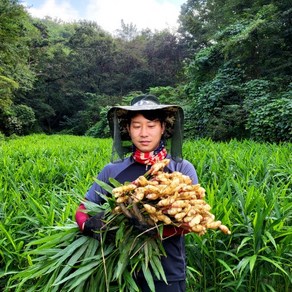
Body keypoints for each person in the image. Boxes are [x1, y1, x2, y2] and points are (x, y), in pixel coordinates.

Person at [75, 94, 198, 292]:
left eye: (151, 125)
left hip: (166, 274)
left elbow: (192, 221)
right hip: (118, 272)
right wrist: (88, 225)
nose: (144, 133)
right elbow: (82, 208)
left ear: (163, 128)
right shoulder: (112, 170)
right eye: (136, 125)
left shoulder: (181, 169)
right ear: (128, 129)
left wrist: (152, 229)